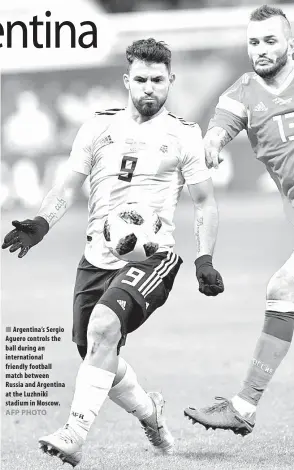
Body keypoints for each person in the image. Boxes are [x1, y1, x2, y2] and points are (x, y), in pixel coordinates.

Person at [2, 38, 224, 466]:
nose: (148, 88)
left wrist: (204, 258)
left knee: (104, 326)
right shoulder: (98, 127)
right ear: (127, 80)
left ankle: (75, 433)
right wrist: (40, 224)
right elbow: (66, 186)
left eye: (157, 80)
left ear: (170, 81)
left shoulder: (183, 134)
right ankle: (149, 412)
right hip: (96, 258)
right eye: (140, 79)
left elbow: (204, 202)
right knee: (95, 352)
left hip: (151, 259)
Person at [184, 5, 294, 436]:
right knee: (281, 291)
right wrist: (211, 142)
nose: (260, 49)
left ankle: (243, 406)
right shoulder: (241, 93)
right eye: (254, 42)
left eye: (270, 41)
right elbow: (220, 126)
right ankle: (243, 407)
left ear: (291, 45)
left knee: (281, 288)